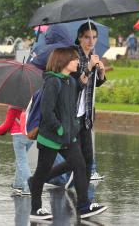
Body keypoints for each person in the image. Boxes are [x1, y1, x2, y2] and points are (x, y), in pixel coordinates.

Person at [28, 47, 107, 221]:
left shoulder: (69, 81)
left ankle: (84, 206)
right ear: (63, 61)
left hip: (68, 136)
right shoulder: (53, 82)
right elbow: (47, 111)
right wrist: (59, 128)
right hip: (51, 137)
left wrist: (92, 68)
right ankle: (35, 209)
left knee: (80, 166)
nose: (78, 62)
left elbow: (81, 84)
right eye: (75, 59)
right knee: (42, 172)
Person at [47, 22, 106, 187]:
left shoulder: (92, 56)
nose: (91, 41)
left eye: (94, 37)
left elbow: (93, 84)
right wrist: (88, 67)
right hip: (70, 114)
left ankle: (82, 193)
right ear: (79, 38)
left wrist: (101, 72)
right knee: (76, 158)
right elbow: (75, 85)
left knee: (87, 157)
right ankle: (45, 177)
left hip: (86, 114)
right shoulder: (72, 57)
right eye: (87, 37)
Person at [0, 106, 32, 196]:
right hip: (31, 135)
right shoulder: (31, 104)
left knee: (22, 161)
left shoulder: (13, 108)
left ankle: (30, 186)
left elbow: (7, 124)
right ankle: (18, 184)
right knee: (21, 161)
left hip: (19, 136)